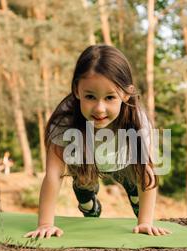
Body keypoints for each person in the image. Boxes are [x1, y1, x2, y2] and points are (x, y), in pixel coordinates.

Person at [24, 45, 171, 239]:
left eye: (110, 97)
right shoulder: (65, 120)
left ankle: (134, 196)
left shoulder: (138, 121)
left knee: (137, 192)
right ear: (77, 90)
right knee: (85, 191)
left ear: (127, 93)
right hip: (86, 163)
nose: (100, 108)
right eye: (90, 96)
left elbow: (147, 172)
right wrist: (45, 224)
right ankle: (89, 203)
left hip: (125, 163)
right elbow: (53, 174)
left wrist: (145, 222)